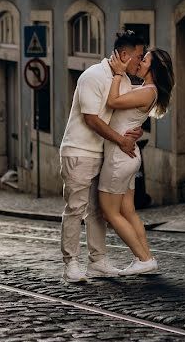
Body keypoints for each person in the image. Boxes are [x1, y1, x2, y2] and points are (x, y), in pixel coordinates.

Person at [59, 31, 147, 283]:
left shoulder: (125, 82)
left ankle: (98, 261)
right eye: (138, 57)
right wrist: (120, 140)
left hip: (104, 153)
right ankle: (71, 263)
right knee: (76, 208)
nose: (140, 63)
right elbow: (91, 119)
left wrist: (136, 130)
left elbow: (124, 116)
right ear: (123, 55)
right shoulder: (92, 76)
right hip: (79, 150)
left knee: (98, 211)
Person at [100, 48, 175, 275]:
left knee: (109, 212)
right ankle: (147, 258)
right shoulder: (146, 90)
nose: (140, 62)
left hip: (119, 156)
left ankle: (142, 258)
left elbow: (112, 101)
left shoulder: (147, 91)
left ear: (153, 69)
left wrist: (116, 73)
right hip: (128, 155)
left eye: (145, 60)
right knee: (128, 211)